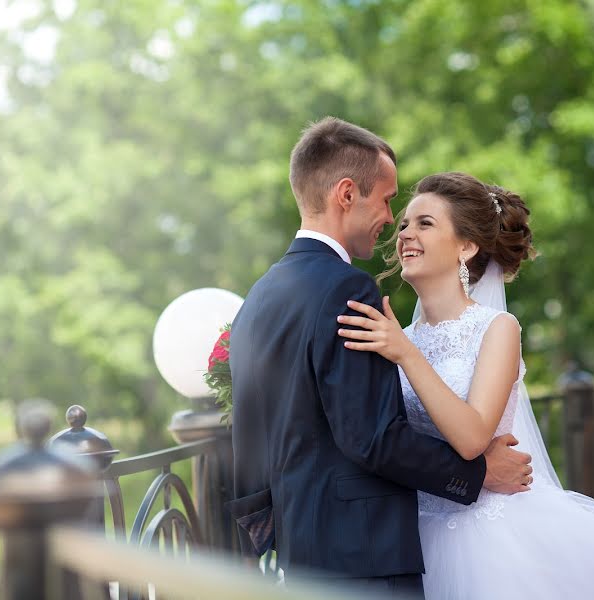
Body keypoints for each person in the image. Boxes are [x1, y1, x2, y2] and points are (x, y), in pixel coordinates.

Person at [337, 171, 594, 599]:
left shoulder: (497, 328)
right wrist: (403, 347)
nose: (405, 233)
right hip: (413, 536)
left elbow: (471, 437)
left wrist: (406, 355)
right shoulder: (403, 335)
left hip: (487, 541)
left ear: (466, 246)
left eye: (425, 223)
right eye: (405, 223)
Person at [227, 119, 532, 597]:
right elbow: (369, 438)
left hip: (307, 552)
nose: (393, 223)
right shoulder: (349, 289)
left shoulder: (258, 298)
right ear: (347, 194)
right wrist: (478, 474)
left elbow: (248, 431)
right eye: (390, 203)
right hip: (366, 553)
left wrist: (255, 536)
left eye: (418, 220)